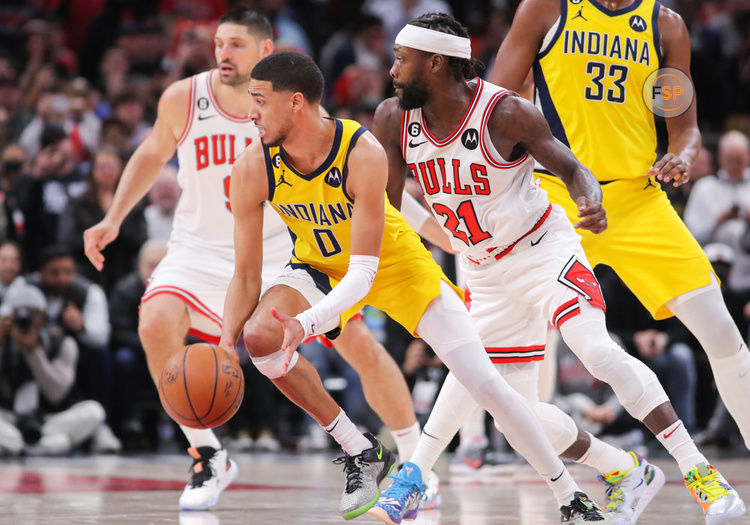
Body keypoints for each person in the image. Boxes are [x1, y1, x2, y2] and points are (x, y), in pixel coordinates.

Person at [370, 13, 744, 525]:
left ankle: (701, 473)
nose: (391, 69)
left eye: (400, 59)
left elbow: (573, 169)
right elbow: (388, 210)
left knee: (596, 352)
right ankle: (626, 470)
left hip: (543, 248)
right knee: (507, 408)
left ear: (435, 63)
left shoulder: (505, 113)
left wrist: (590, 200)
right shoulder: (394, 118)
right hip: (484, 269)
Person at [221, 49, 606, 523]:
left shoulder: (359, 149)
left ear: (296, 102)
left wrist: (304, 325)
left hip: (393, 262)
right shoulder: (252, 166)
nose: (249, 112)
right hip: (320, 266)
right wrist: (223, 343)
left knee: (486, 385)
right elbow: (245, 276)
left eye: (259, 99)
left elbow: (365, 273)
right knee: (260, 339)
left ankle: (569, 495)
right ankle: (360, 449)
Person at [83, 8, 433, 511]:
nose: (223, 53)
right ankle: (208, 455)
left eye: (236, 45)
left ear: (265, 52)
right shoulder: (185, 98)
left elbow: (360, 178)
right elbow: (150, 153)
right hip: (199, 247)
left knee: (355, 341)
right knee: (155, 321)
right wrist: (114, 217)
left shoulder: (290, 108)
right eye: (219, 43)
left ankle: (413, 453)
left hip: (283, 250)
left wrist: (427, 224)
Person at [492, 0, 750, 517]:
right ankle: (620, 467)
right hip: (556, 196)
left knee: (722, 335)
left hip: (638, 200)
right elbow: (493, 107)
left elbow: (685, 127)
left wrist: (683, 152)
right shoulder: (547, 9)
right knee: (497, 365)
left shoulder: (665, 25)